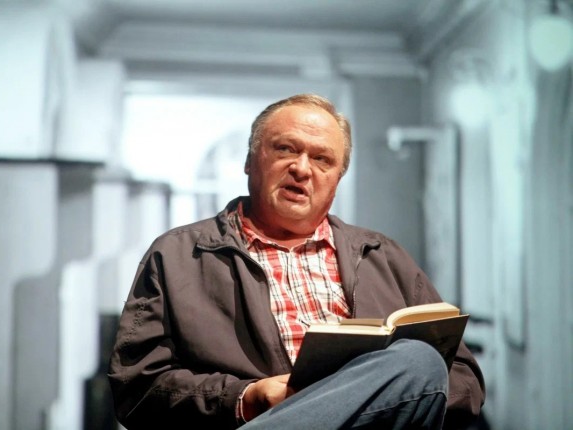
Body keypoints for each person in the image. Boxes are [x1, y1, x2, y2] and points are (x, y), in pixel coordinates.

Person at [108, 94, 485, 429]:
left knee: (419, 361)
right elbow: (136, 391)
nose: (302, 169)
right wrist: (245, 399)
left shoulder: (383, 256)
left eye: (322, 159)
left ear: (337, 178)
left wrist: (381, 396)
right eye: (286, 149)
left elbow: (465, 382)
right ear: (250, 161)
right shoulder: (177, 255)